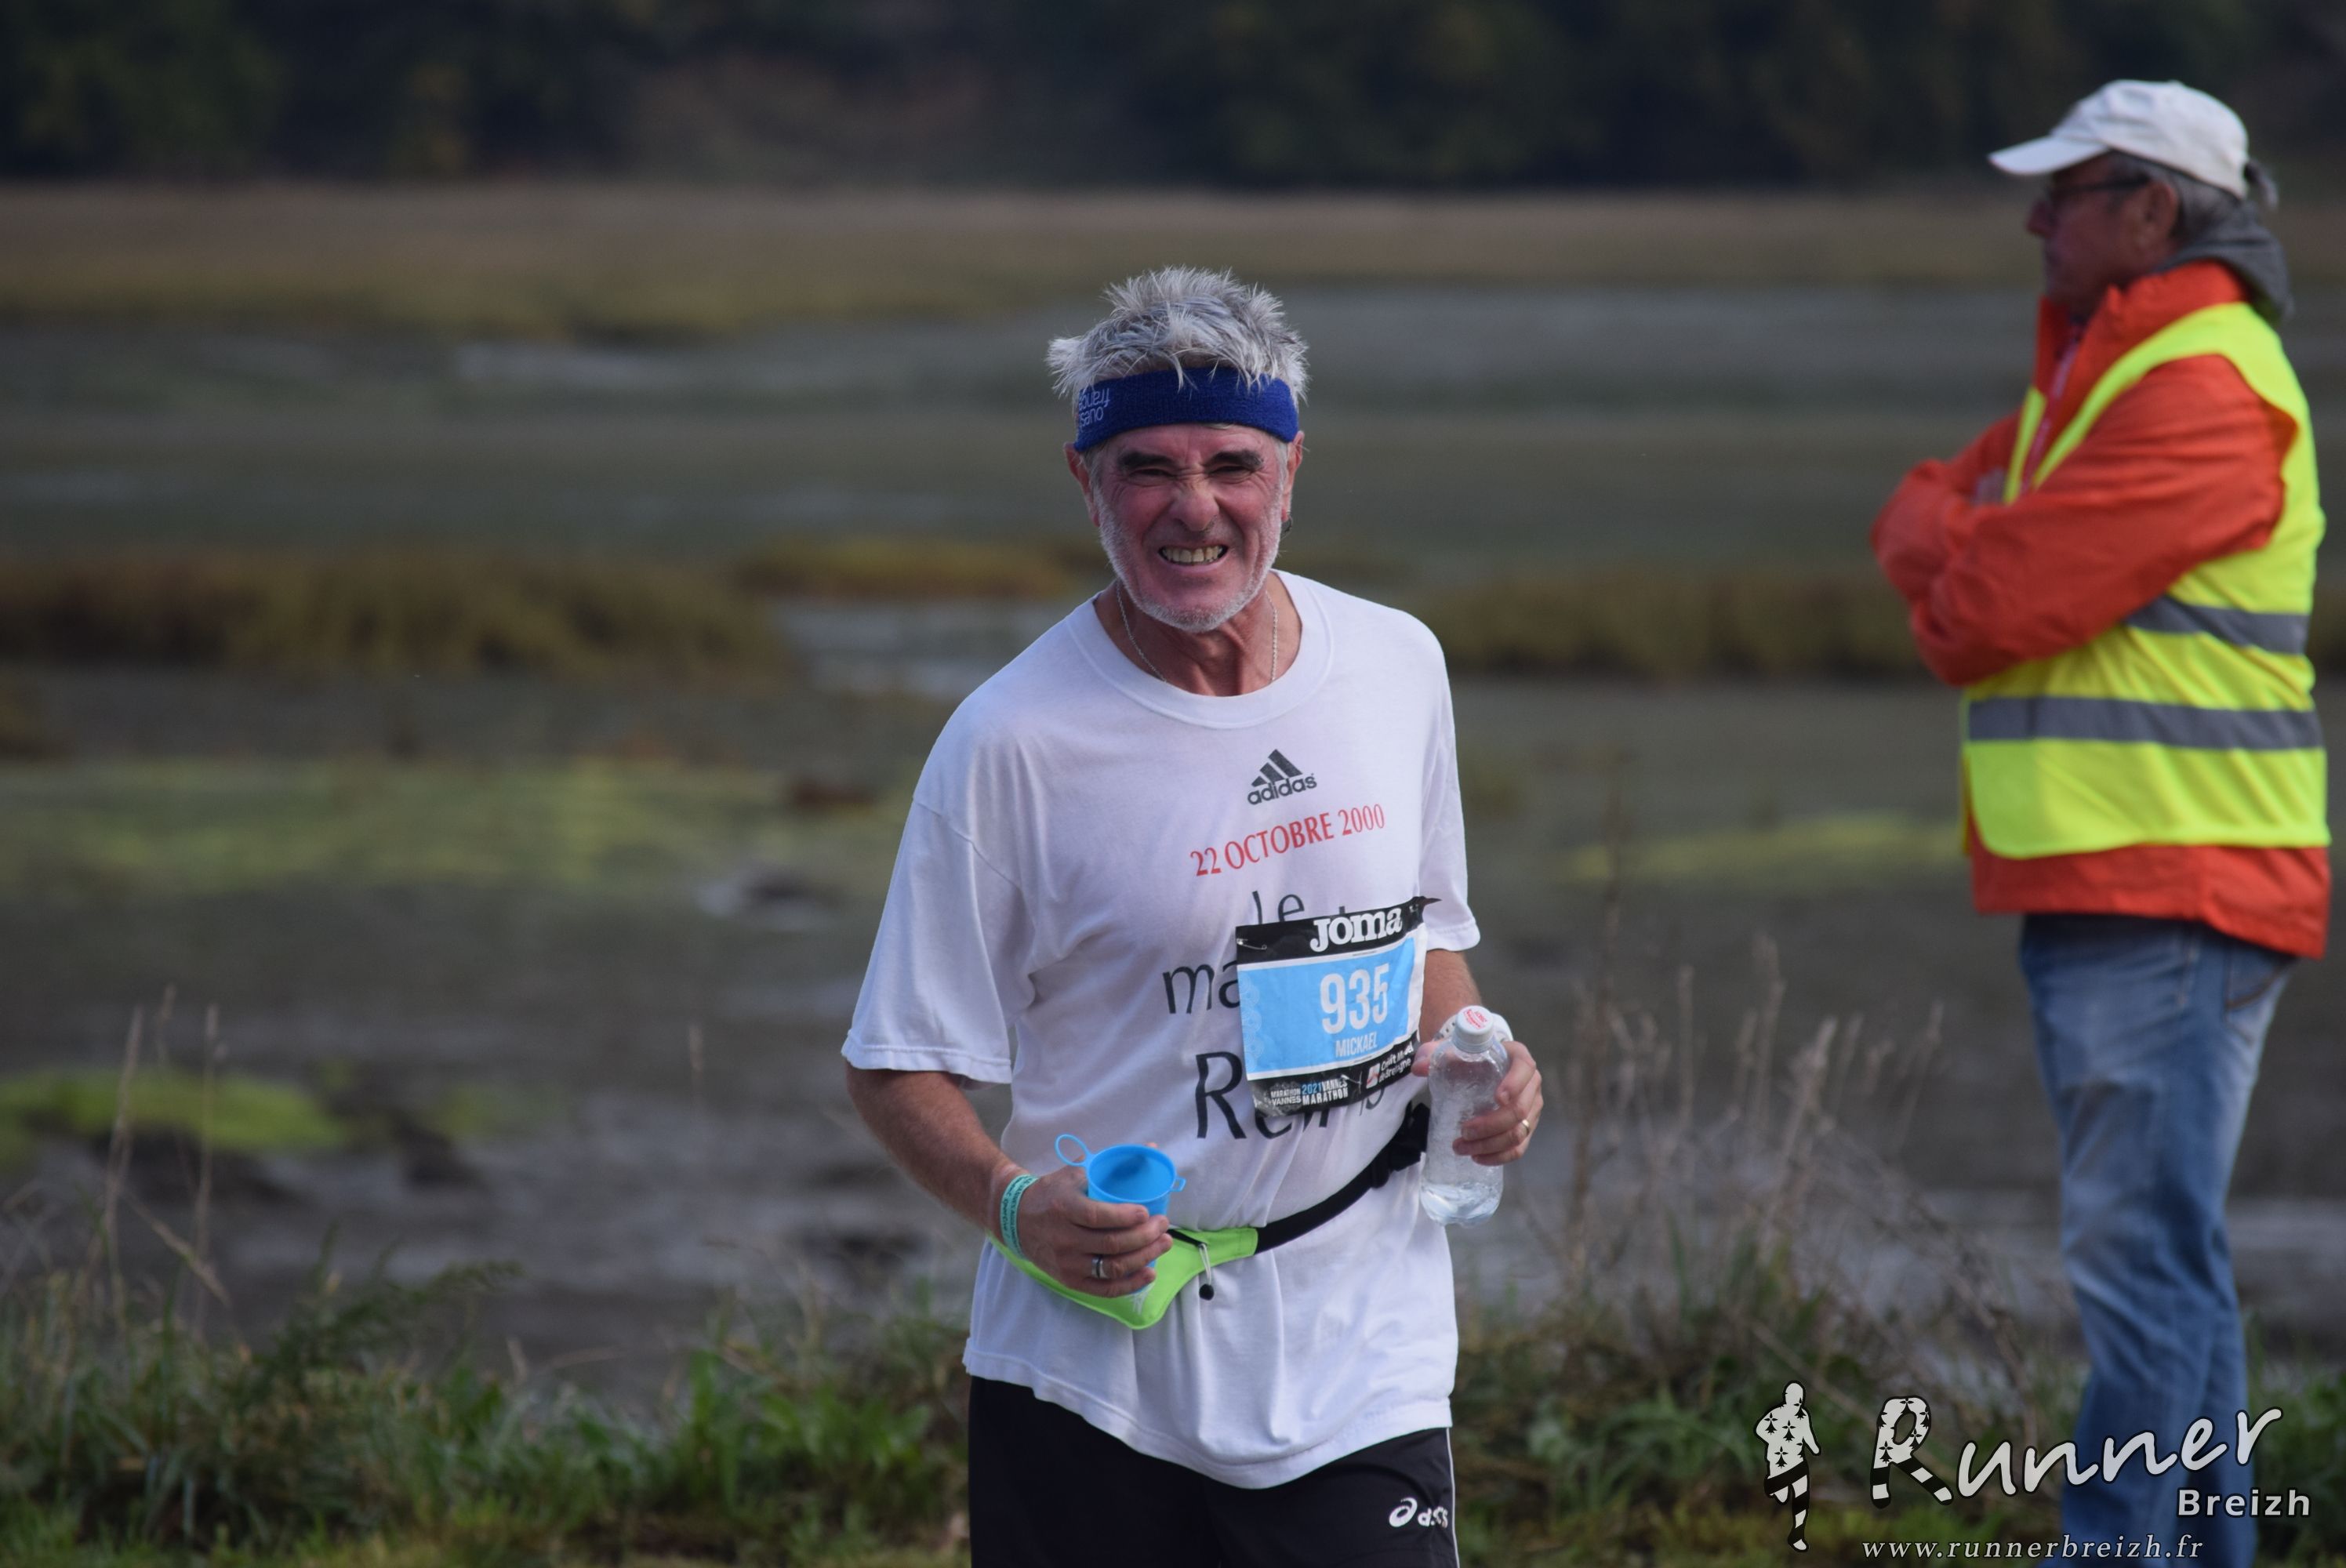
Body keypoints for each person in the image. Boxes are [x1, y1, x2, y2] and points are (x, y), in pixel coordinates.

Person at [840, 266, 1543, 1566]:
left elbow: (1430, 936)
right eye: (1148, 469)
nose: (1195, 506)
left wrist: (1481, 1064)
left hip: (1361, 1348)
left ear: (1291, 469)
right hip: (1093, 1374)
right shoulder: (1010, 742)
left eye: (1232, 464)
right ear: (1086, 481)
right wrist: (1013, 1206)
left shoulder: (1396, 664)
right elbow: (895, 1064)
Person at [1870, 82, 2323, 1566]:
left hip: (2176, 883)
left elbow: (1981, 607)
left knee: (2139, 1267)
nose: (2035, 219)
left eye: (2065, 192)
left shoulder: (2203, 385)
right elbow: (1917, 515)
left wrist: (1968, 550)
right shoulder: (2100, 381)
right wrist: (1970, 542)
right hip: (2117, 884)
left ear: (2153, 209)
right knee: (2167, 1266)